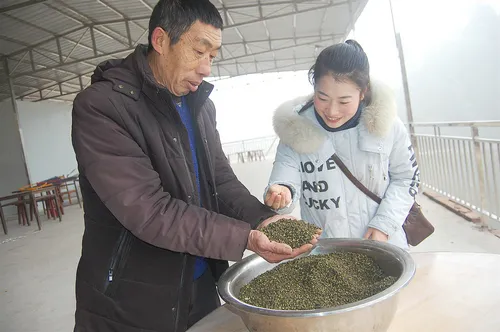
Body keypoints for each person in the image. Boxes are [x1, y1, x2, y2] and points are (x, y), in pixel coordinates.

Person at [71, 1, 317, 331]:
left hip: (201, 283)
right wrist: (245, 237)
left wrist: (264, 221)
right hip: (133, 299)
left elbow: (221, 181)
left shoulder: (200, 106)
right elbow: (150, 211)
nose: (206, 68)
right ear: (160, 41)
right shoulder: (102, 108)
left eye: (212, 56)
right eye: (198, 51)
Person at [264, 40, 420, 249]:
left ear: (363, 92)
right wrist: (281, 192)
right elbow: (285, 179)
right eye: (323, 97)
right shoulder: (295, 130)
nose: (332, 111)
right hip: (327, 252)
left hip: (385, 245)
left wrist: (384, 225)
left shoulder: (388, 127)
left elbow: (406, 178)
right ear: (314, 87)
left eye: (344, 101)